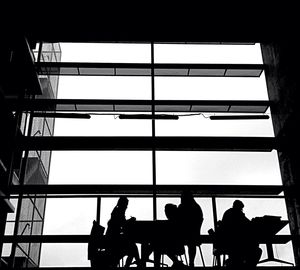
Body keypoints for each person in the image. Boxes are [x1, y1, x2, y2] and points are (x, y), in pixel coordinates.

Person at [220, 200, 262, 269]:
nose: (242, 210)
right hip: (236, 244)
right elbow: (247, 224)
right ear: (238, 207)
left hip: (228, 242)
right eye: (241, 208)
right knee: (256, 250)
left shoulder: (228, 213)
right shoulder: (237, 213)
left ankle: (235, 262)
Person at [105, 196, 140, 267]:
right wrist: (130, 221)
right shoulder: (118, 212)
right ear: (122, 204)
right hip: (114, 243)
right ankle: (137, 264)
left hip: (113, 241)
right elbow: (123, 224)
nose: (126, 207)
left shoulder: (116, 211)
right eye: (126, 205)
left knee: (133, 248)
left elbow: (122, 225)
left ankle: (135, 264)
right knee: (133, 248)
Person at [177, 191, 203, 267]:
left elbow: (178, 221)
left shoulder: (181, 207)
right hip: (194, 234)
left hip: (183, 234)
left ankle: (177, 261)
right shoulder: (196, 207)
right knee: (192, 244)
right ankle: (191, 262)